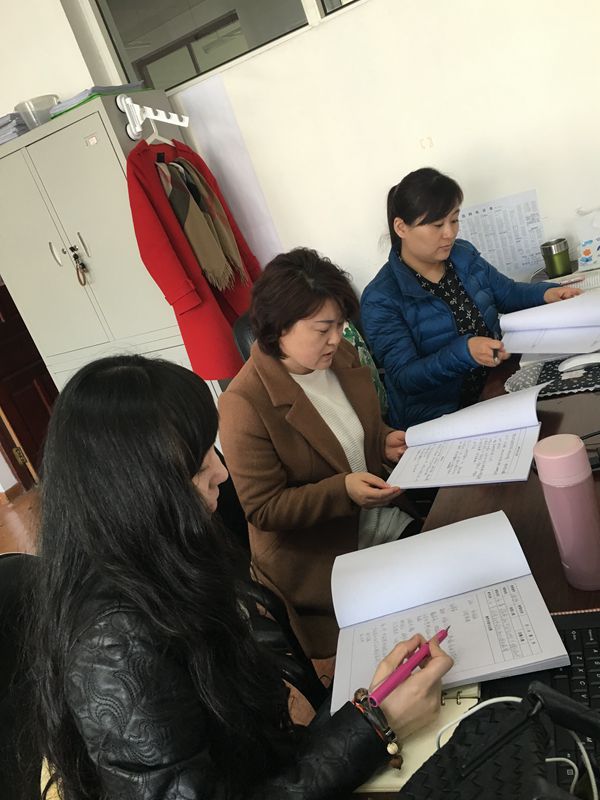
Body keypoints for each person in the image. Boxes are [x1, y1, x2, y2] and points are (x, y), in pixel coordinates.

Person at [28, 354, 453, 800]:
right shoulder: (114, 643)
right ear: (133, 489)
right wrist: (376, 725)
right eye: (197, 465)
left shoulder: (166, 555)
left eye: (210, 450)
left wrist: (369, 710)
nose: (221, 472)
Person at [219, 248, 420, 658]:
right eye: (323, 328)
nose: (337, 338)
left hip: (381, 518)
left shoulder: (338, 356)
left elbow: (354, 428)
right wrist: (342, 490)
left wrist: (381, 440)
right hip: (321, 556)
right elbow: (264, 508)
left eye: (341, 324)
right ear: (279, 328)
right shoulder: (245, 403)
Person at [360, 167, 581, 430]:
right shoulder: (380, 298)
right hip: (439, 417)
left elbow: (507, 293)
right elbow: (406, 377)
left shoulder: (462, 254)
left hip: (496, 384)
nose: (450, 233)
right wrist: (465, 352)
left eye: (454, 220)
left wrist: (546, 293)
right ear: (401, 228)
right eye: (437, 225)